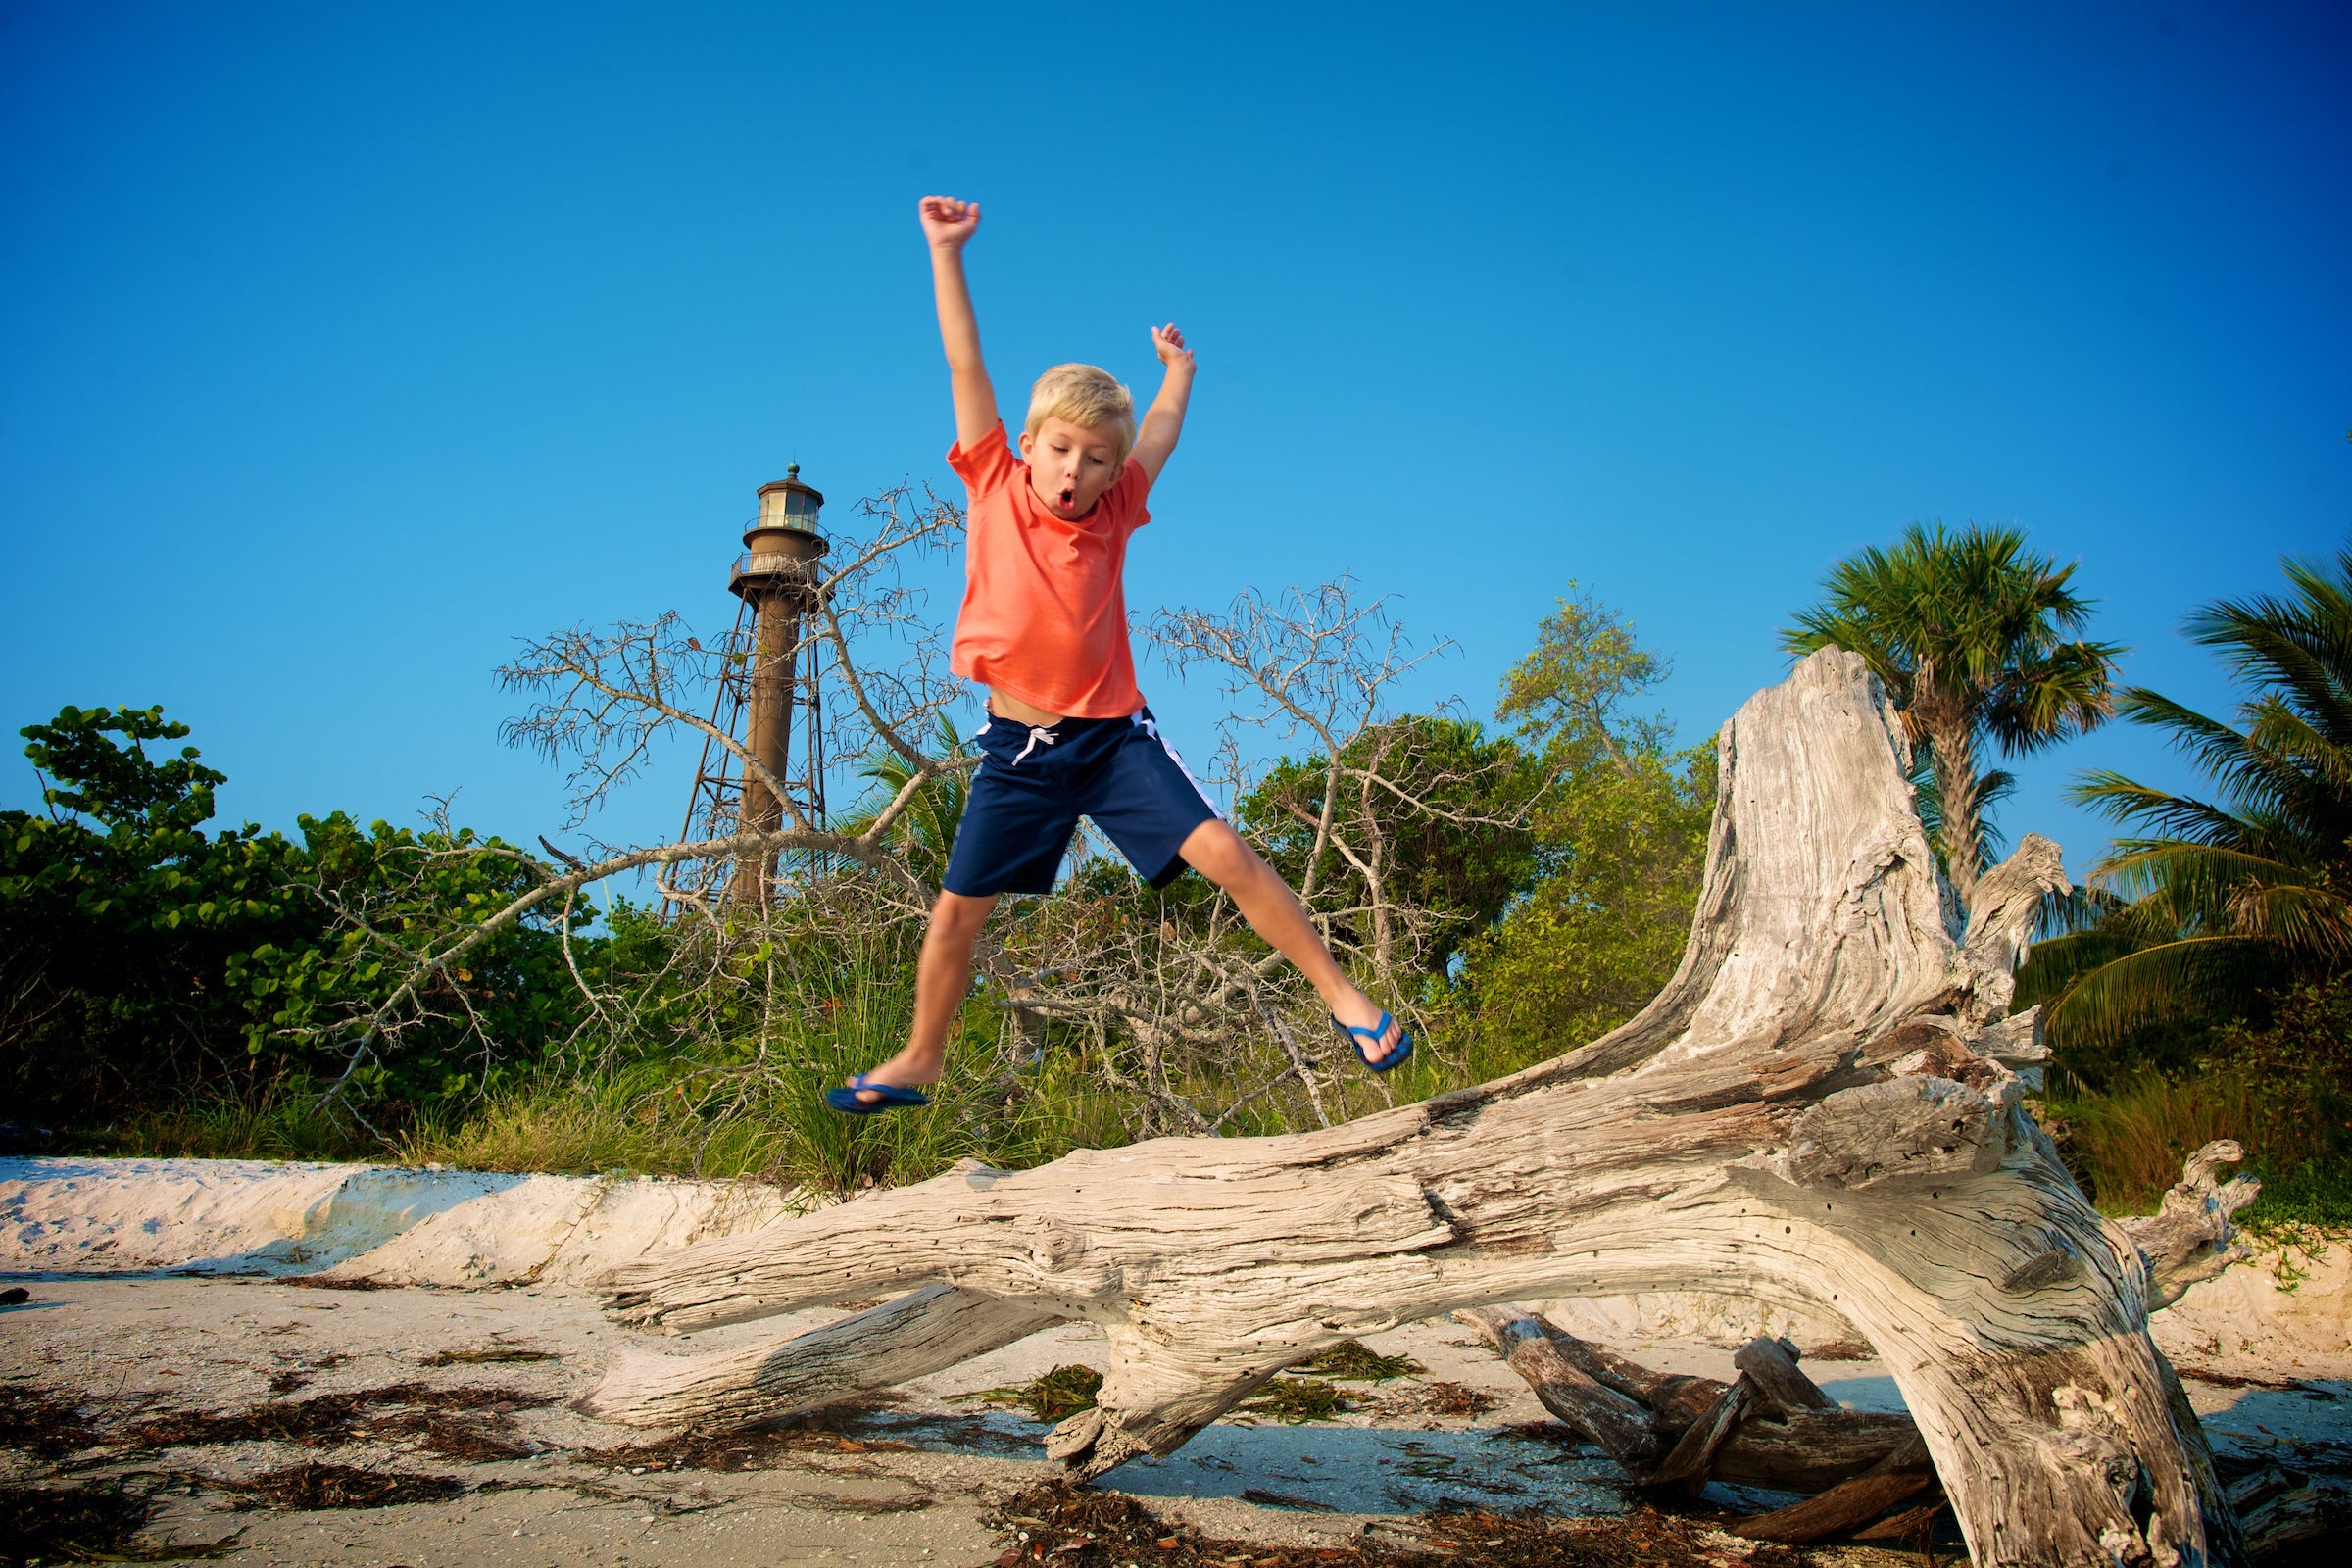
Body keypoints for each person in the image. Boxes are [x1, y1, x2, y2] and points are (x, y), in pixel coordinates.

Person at [829, 196, 1410, 1114]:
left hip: (1112, 741)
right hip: (1018, 755)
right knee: (955, 915)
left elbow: (1163, 433)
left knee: (1225, 852)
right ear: (1026, 446)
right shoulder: (991, 480)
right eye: (1060, 450)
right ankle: (921, 1055)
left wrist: (1178, 371)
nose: (1075, 472)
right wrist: (947, 253)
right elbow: (964, 358)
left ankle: (1349, 1003)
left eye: (1096, 458)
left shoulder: (1116, 510)